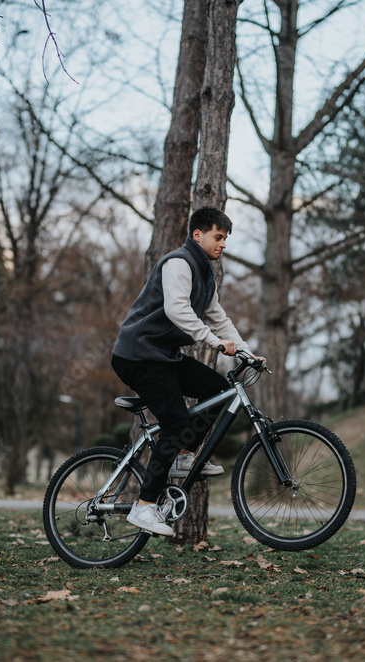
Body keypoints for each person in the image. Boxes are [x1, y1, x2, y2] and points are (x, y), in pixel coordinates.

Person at [111, 206, 263, 536]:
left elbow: (218, 316)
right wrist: (214, 343)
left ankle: (182, 455)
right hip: (138, 354)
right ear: (198, 235)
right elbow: (177, 309)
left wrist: (248, 353)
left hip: (162, 355)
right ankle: (144, 506)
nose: (223, 244)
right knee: (176, 422)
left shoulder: (206, 273)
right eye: (218, 237)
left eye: (225, 239)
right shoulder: (178, 262)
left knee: (217, 388)